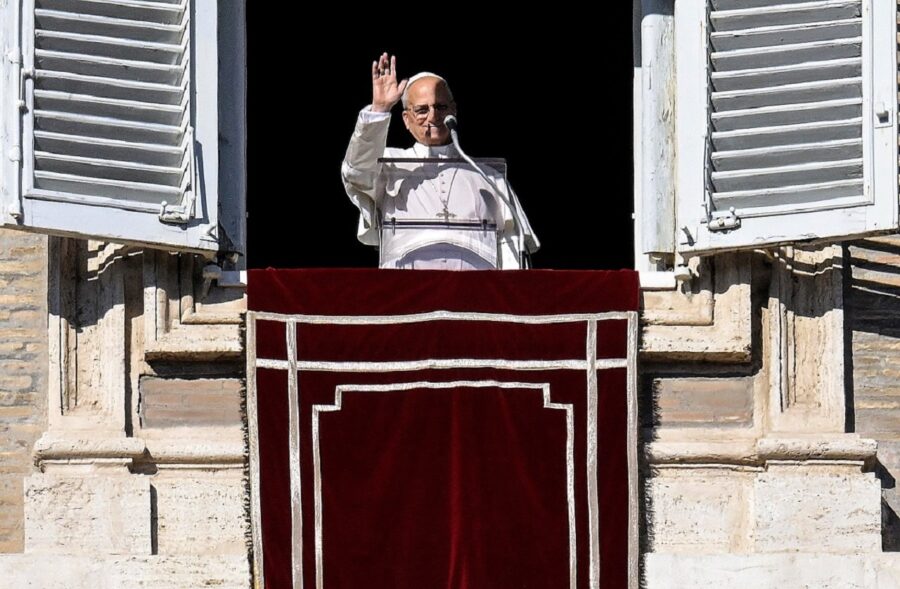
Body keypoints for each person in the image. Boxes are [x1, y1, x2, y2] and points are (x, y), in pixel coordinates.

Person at [341, 53, 539, 270]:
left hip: (474, 298)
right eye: (422, 110)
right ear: (406, 119)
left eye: (441, 107)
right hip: (408, 295)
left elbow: (511, 244)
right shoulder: (389, 165)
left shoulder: (487, 176)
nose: (433, 116)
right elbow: (356, 172)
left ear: (454, 110)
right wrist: (380, 109)